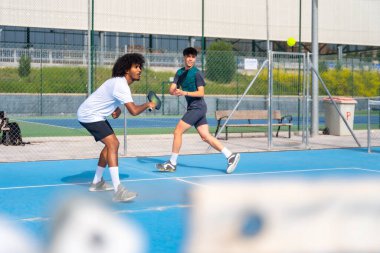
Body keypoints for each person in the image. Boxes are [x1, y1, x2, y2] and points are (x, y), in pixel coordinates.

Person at [77, 53, 156, 202]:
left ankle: (97, 182)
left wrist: (116, 109)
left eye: (140, 67)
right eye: (136, 67)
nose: (140, 70)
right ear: (127, 70)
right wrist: (147, 104)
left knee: (109, 146)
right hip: (90, 115)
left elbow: (110, 100)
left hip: (94, 114)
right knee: (113, 143)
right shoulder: (121, 84)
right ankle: (118, 190)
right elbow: (133, 111)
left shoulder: (118, 83)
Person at [156, 47, 240, 174]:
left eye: (193, 57)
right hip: (194, 108)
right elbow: (171, 89)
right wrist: (174, 91)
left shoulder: (197, 73)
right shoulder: (179, 73)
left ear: (195, 59)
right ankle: (230, 156)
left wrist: (184, 92)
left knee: (177, 131)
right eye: (188, 56)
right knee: (206, 136)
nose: (190, 59)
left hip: (197, 107)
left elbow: (201, 93)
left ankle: (172, 163)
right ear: (184, 57)